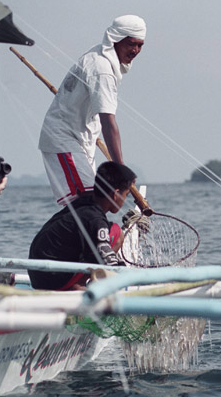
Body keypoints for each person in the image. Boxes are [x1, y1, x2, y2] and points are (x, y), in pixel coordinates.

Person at [38, 15, 146, 205]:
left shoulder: (98, 56)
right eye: (131, 44)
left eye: (140, 45)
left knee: (98, 201)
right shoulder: (102, 69)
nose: (135, 50)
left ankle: (97, 234)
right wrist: (121, 170)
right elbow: (108, 122)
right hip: (64, 140)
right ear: (116, 39)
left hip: (82, 141)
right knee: (87, 202)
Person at [28, 162, 136, 290]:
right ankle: (77, 286)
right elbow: (109, 262)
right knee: (117, 233)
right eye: (126, 195)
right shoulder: (95, 219)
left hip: (37, 274)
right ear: (116, 194)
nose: (124, 200)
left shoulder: (83, 203)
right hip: (52, 280)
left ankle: (78, 284)